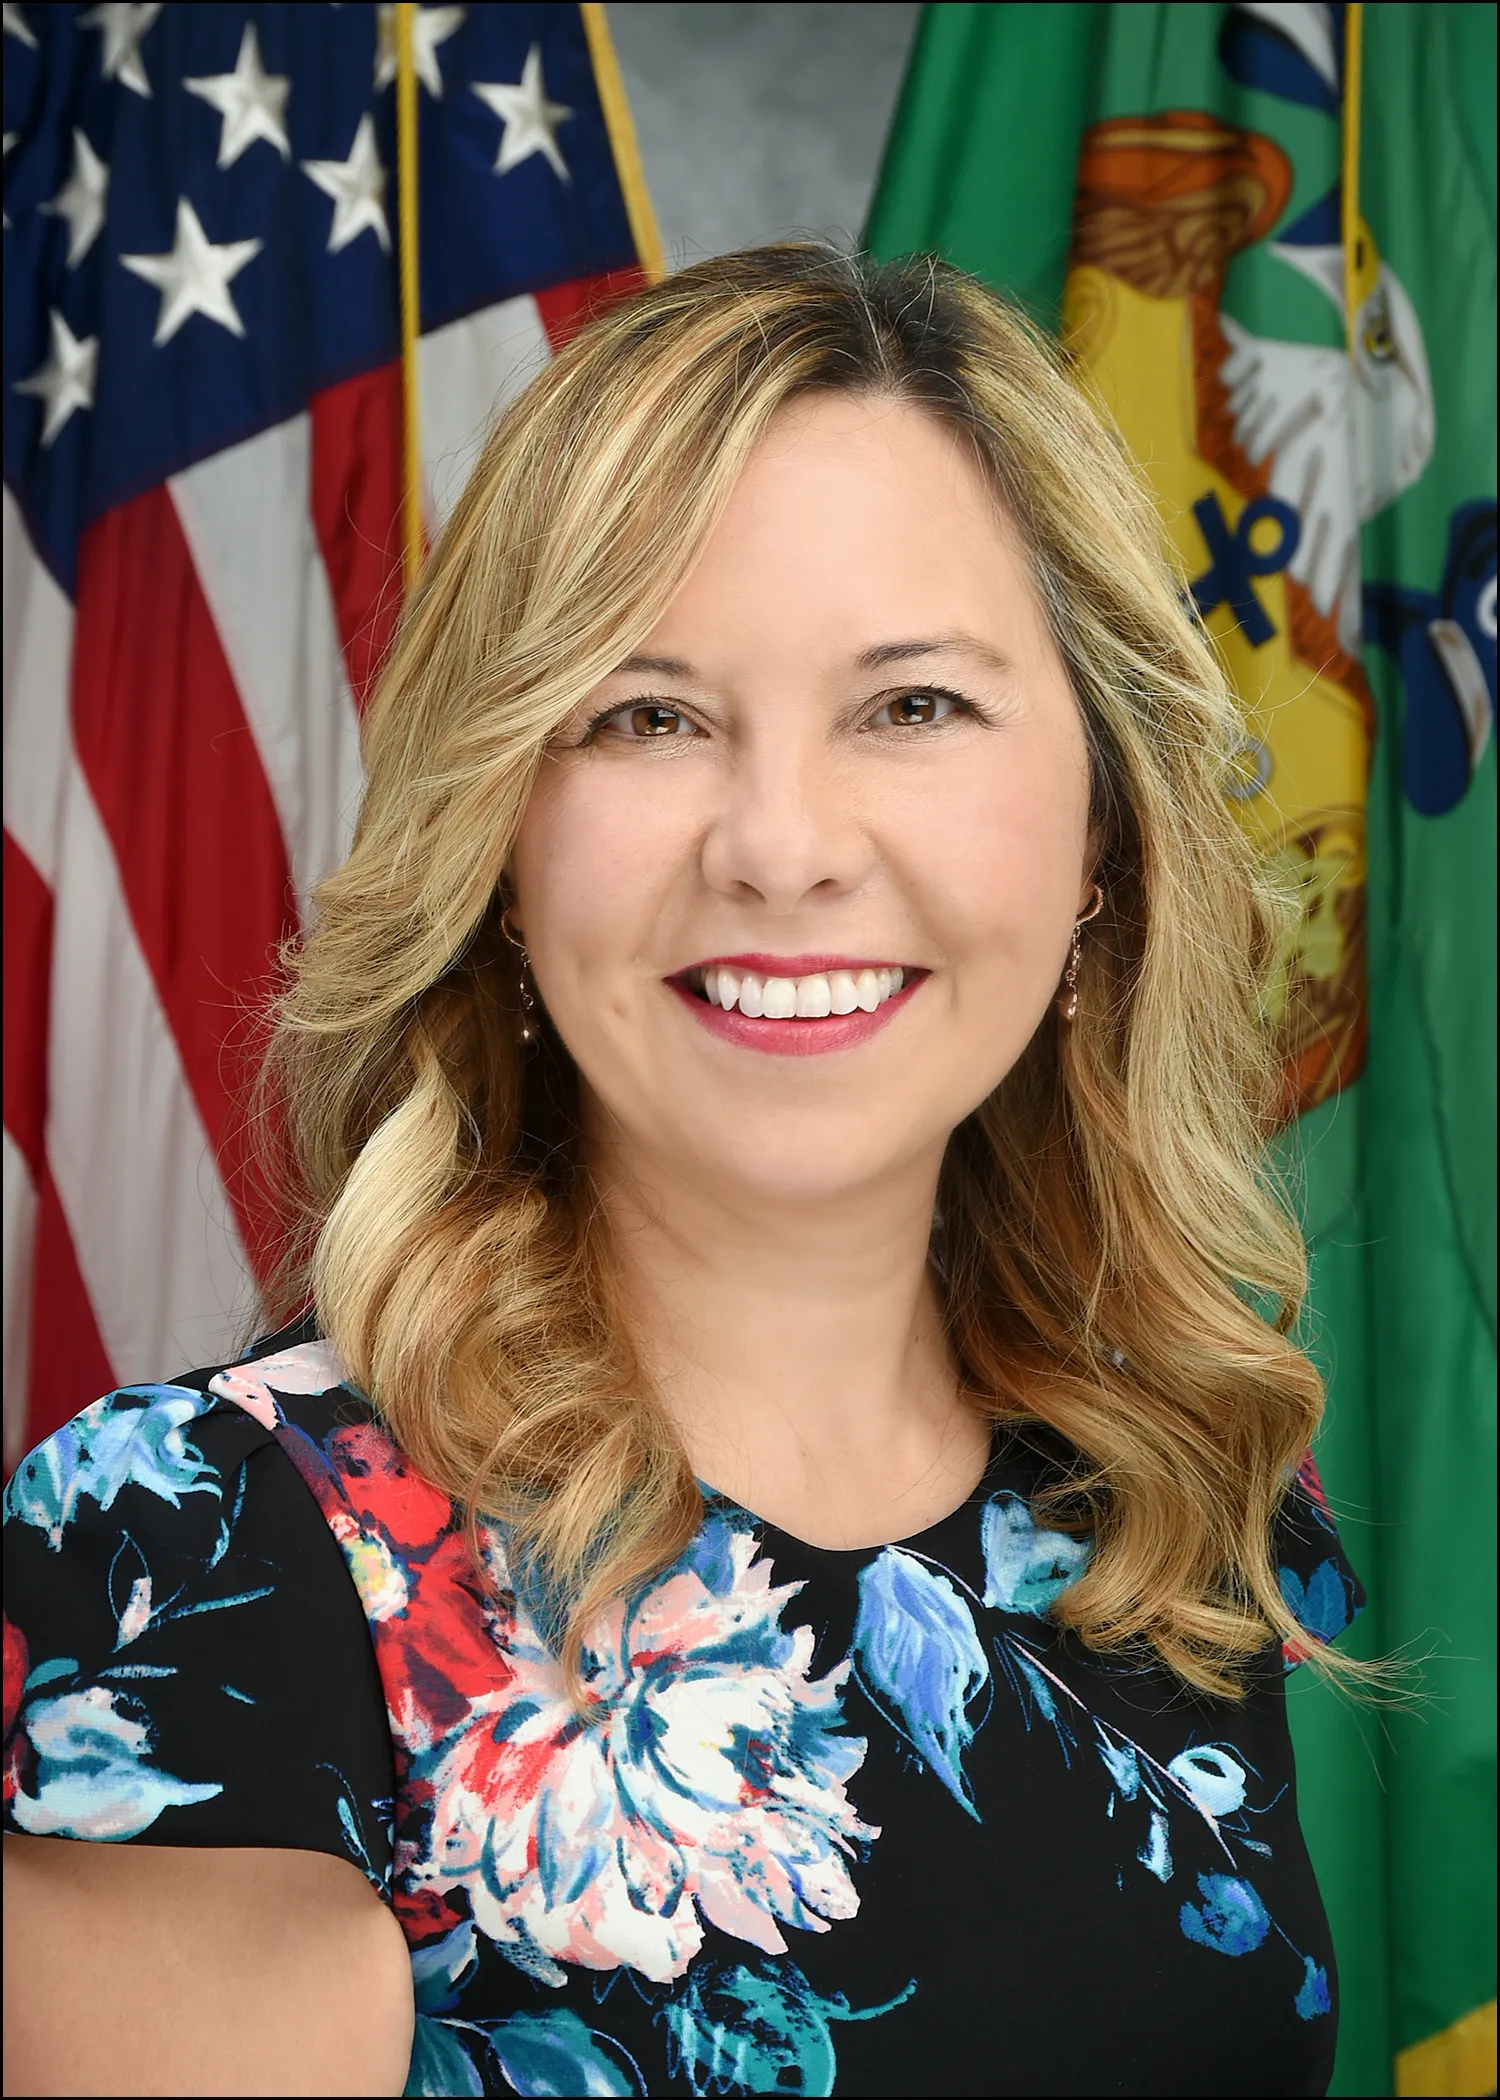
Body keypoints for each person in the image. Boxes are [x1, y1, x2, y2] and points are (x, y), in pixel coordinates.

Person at [3, 244, 1368, 2099]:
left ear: (1103, 841)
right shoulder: (208, 1552)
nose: (782, 845)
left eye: (913, 706)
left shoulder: (1169, 1506)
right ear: (498, 842)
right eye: (646, 714)